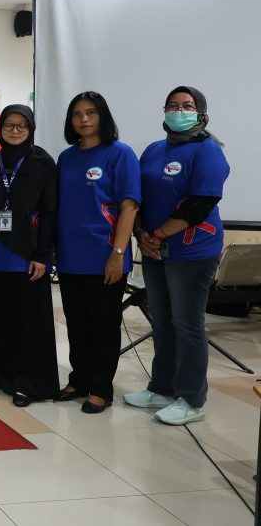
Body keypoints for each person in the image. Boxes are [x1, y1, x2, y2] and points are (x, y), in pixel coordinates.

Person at [124, 86, 229, 425]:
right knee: (163, 321)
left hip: (192, 251)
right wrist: (141, 234)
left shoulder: (208, 152)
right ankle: (162, 388)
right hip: (155, 249)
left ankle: (191, 399)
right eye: (172, 105)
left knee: (187, 323)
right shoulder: (154, 150)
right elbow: (137, 196)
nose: (178, 111)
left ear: (202, 114)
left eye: (186, 105)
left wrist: (156, 235)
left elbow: (199, 205)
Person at [55, 91, 140, 414]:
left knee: (103, 326)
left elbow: (129, 207)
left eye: (91, 112)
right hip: (70, 255)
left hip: (106, 256)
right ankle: (79, 379)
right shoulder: (67, 157)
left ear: (102, 116)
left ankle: (101, 388)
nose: (84, 119)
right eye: (77, 114)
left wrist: (118, 252)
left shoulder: (120, 154)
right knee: (77, 324)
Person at [0, 105, 59, 407]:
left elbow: (50, 212)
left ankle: (29, 382)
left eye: (22, 125)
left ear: (31, 128)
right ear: (0, 128)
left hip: (29, 251)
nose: (15, 130)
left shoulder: (43, 163)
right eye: (9, 124)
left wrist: (43, 254)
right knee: (0, 316)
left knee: (28, 319)